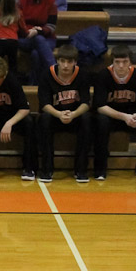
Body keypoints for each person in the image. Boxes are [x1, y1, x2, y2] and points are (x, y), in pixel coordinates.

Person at [92, 45, 136, 180]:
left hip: (131, 115)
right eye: (117, 62)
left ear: (130, 62)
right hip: (111, 116)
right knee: (101, 122)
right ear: (112, 62)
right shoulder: (103, 75)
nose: (121, 65)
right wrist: (124, 117)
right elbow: (100, 106)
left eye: (125, 62)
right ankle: (100, 168)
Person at [37, 43, 91, 183]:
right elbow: (44, 104)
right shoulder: (47, 75)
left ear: (75, 62)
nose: (66, 65)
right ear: (57, 61)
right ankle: (47, 169)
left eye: (69, 62)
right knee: (45, 119)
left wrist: (73, 114)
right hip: (55, 116)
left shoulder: (82, 75)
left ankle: (81, 170)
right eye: (62, 61)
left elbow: (86, 103)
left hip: (75, 116)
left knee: (87, 118)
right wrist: (59, 114)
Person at [0, 0, 26, 73]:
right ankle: (13, 81)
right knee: (13, 64)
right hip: (13, 41)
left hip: (0, 41)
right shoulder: (18, 13)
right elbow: (23, 28)